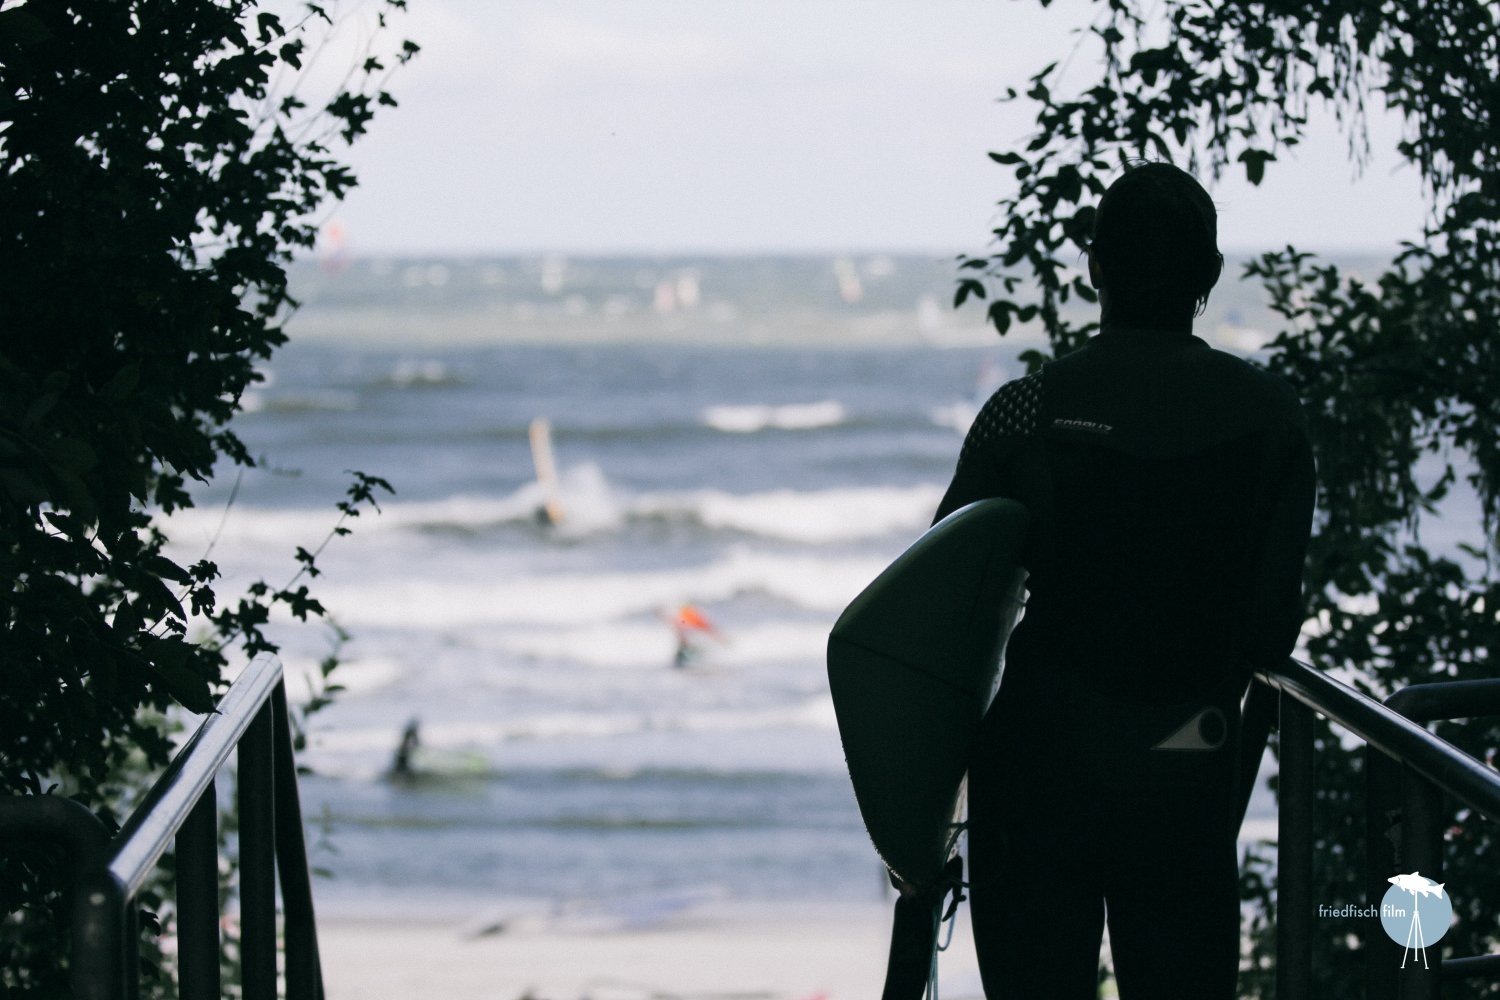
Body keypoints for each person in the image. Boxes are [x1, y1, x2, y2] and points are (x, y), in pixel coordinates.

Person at [933, 162, 1316, 998]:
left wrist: (918, 802)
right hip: (1184, 766)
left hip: (1038, 761)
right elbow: (1270, 627)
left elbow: (941, 611)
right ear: (1209, 275)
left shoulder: (1024, 412)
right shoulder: (1274, 421)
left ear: (1095, 266)